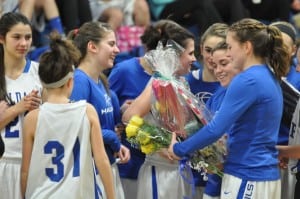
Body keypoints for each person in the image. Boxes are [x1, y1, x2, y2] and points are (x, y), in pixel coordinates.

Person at [168, 18, 290, 199]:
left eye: (231, 47)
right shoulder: (268, 74)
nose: (229, 53)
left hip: (247, 175)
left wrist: (179, 149)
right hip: (263, 176)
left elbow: (215, 129)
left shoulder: (248, 79)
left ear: (247, 47)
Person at [20, 32, 115, 199]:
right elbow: (102, 161)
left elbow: (25, 171)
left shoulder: (32, 118)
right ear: (71, 82)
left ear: (42, 82)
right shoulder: (87, 111)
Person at [109, 19, 195, 199]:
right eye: (191, 53)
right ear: (175, 55)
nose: (194, 59)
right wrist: (157, 145)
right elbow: (128, 117)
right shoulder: (159, 82)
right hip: (159, 170)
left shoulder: (181, 82)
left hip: (178, 169)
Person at [68, 21, 130, 199]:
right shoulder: (80, 81)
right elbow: (75, 130)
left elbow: (107, 121)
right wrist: (111, 138)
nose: (117, 49)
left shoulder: (100, 79)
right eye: (111, 44)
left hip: (107, 166)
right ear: (92, 47)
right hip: (90, 171)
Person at [0, 12, 42, 199]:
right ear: (2, 38)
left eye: (28, 37)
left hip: (33, 163)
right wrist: (18, 107)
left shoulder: (39, 72)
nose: (24, 43)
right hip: (3, 161)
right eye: (16, 37)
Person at [270, 21, 300, 199]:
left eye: (283, 46)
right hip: (283, 158)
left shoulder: (292, 82)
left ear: (293, 49)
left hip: (285, 157)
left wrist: (277, 150)